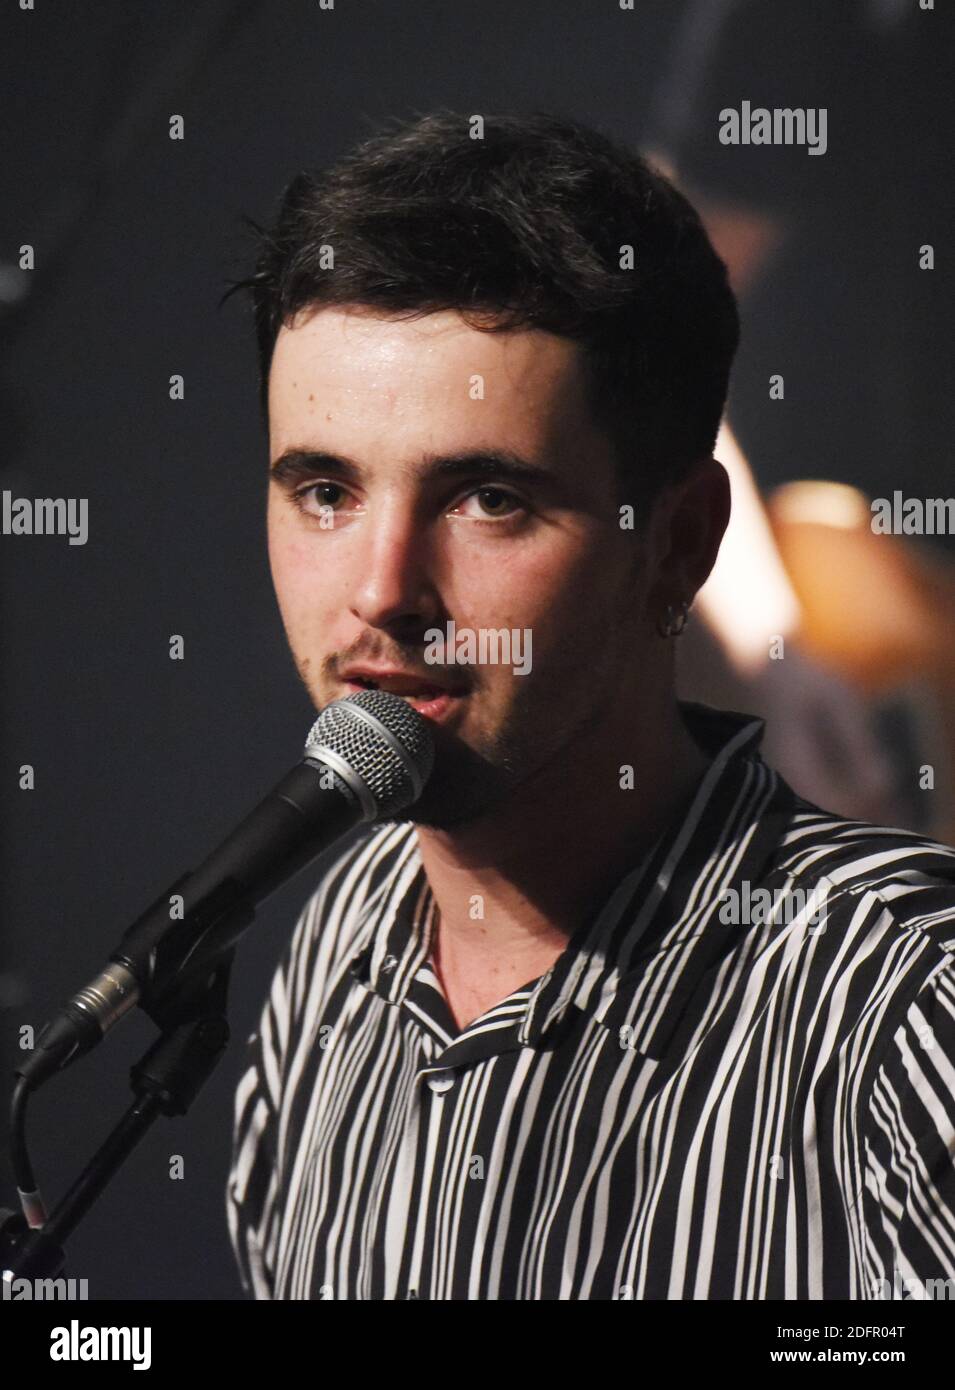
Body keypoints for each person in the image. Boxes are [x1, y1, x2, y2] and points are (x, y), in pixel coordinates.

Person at [224, 111, 955, 1300]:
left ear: (676, 546)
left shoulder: (903, 1011)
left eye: (490, 499)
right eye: (324, 489)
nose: (379, 590)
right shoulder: (338, 941)